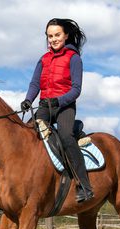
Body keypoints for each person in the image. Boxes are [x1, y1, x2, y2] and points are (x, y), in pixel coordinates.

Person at [21, 18, 93, 203]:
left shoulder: (74, 58)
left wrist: (59, 100)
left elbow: (76, 89)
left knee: (66, 137)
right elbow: (35, 83)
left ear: (66, 35)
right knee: (27, 134)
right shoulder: (43, 59)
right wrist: (28, 100)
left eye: (57, 35)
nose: (53, 39)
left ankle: (83, 186)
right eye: (50, 36)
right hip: (45, 105)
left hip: (65, 106)